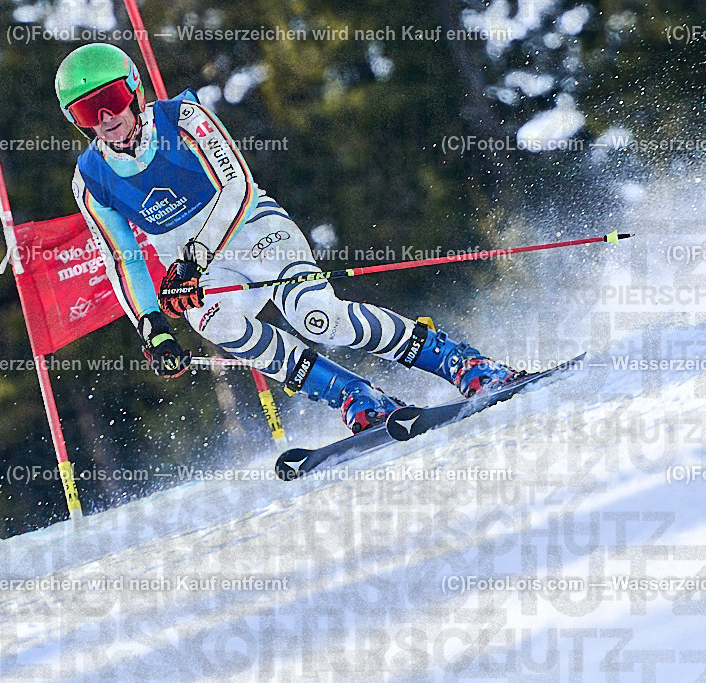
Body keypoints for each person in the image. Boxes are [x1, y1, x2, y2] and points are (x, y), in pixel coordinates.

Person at [56, 43, 519, 434]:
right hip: (200, 270)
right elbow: (123, 259)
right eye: (87, 111)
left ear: (134, 89)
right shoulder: (90, 179)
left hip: (253, 232)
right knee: (216, 323)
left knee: (319, 319)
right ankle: (354, 395)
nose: (106, 118)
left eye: (112, 99)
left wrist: (191, 262)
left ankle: (461, 362)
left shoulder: (185, 119)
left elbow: (237, 187)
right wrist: (152, 326)